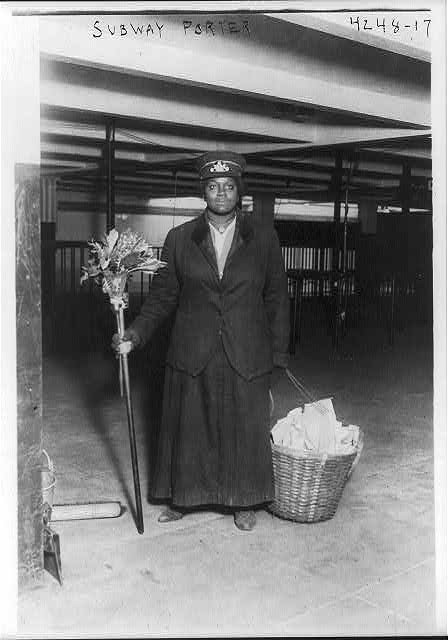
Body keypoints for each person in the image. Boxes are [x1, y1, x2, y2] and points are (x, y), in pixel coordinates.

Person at [112, 151, 290, 531]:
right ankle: (185, 498)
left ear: (239, 191)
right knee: (191, 426)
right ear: (203, 192)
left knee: (243, 426)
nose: (221, 193)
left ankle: (245, 500)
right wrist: (136, 334)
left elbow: (276, 299)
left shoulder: (264, 238)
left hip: (246, 348)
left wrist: (277, 358)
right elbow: (162, 298)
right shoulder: (179, 239)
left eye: (228, 186)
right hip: (193, 348)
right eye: (213, 186)